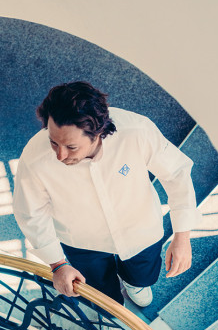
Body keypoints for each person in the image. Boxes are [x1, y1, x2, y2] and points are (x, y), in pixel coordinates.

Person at [12, 80, 197, 308]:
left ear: (98, 133)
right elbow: (30, 212)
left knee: (143, 275)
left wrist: (182, 236)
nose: (59, 155)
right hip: (82, 241)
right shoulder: (34, 158)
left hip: (141, 230)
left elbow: (176, 173)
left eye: (71, 147)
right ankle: (110, 318)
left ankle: (134, 284)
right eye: (53, 142)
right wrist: (57, 264)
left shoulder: (136, 131)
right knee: (100, 292)